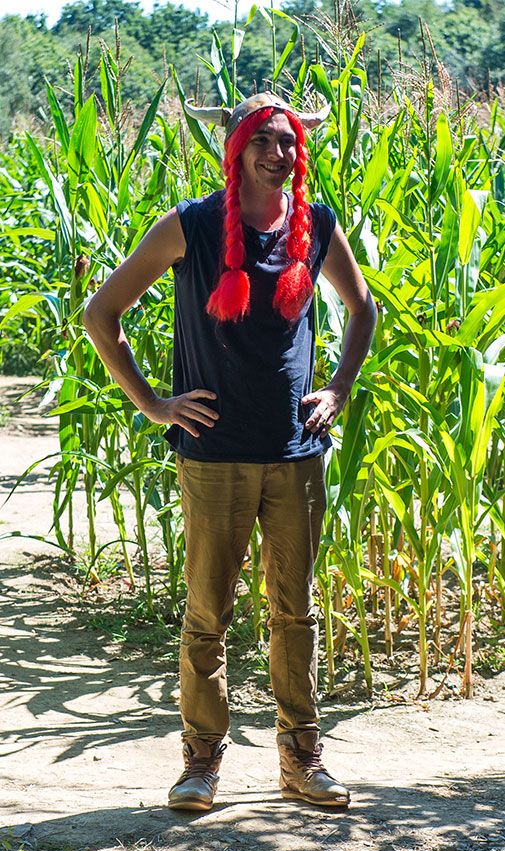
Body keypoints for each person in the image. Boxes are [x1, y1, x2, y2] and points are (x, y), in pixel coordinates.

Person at [83, 91, 377, 813]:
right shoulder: (192, 225)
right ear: (238, 148)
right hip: (213, 454)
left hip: (294, 451)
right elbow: (101, 313)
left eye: (289, 144)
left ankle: (301, 760)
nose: (282, 155)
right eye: (268, 142)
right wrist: (154, 403)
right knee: (206, 613)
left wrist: (336, 387)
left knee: (294, 613)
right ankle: (200, 763)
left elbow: (362, 308)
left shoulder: (316, 226)